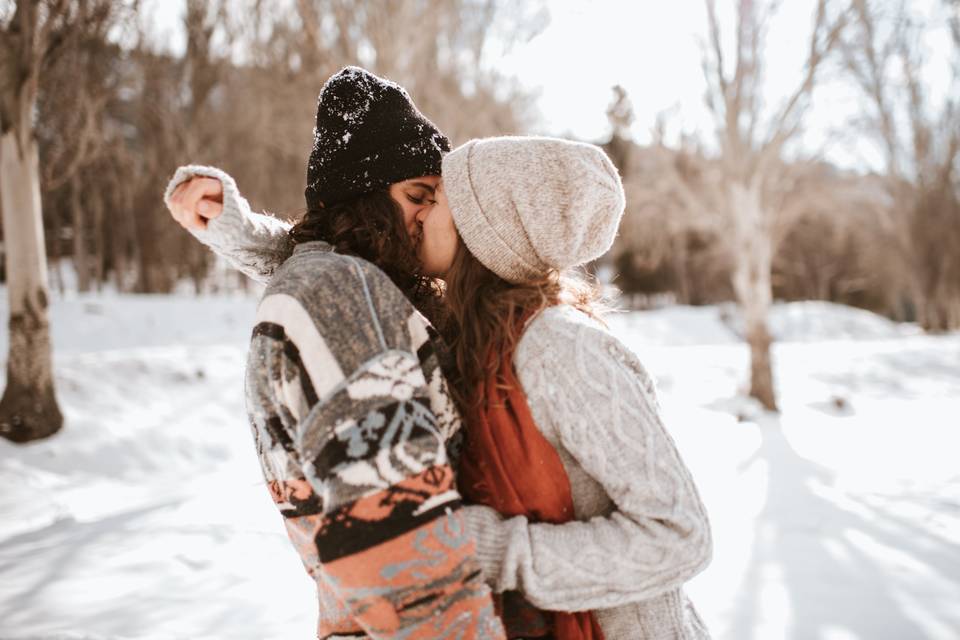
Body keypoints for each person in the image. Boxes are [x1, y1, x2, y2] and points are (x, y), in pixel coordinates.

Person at [168, 83, 713, 639]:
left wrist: (494, 548)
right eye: (419, 195)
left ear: (485, 228)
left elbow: (680, 533)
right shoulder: (468, 335)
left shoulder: (559, 346)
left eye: (438, 199)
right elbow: (339, 277)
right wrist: (242, 233)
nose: (425, 215)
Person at [167, 66, 505, 639]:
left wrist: (241, 232)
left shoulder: (344, 287)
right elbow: (405, 561)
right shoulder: (341, 298)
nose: (433, 216)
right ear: (364, 201)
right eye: (418, 196)